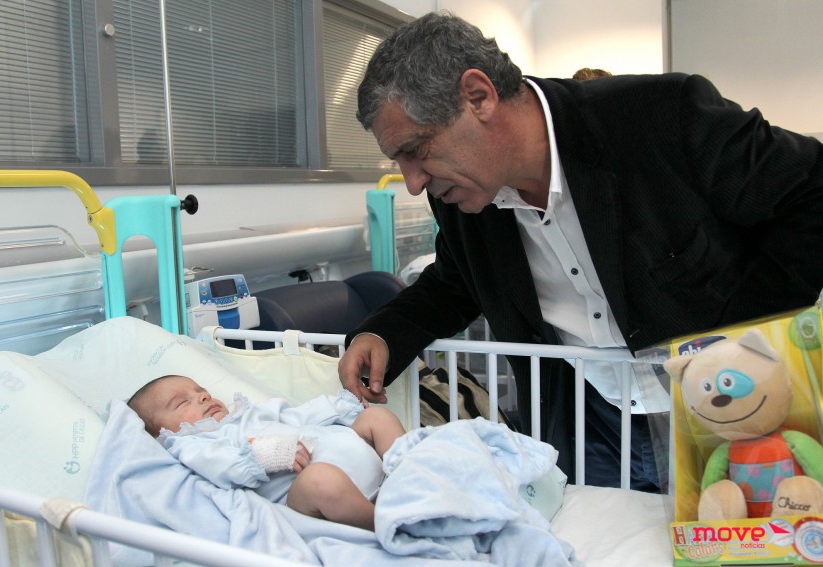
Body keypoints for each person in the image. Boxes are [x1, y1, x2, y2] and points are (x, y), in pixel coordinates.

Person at [338, 11, 823, 492]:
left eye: (416, 150)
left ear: (478, 96)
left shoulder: (661, 117)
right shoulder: (463, 195)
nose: (413, 182)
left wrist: (752, 328)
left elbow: (811, 192)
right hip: (588, 417)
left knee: (738, 526)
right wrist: (384, 333)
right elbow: (457, 281)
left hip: (727, 400)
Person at [128, 375, 405, 530]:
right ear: (162, 433)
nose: (202, 396)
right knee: (320, 479)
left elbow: (300, 416)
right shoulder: (192, 443)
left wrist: (341, 406)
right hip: (309, 496)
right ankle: (387, 525)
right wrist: (264, 455)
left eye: (202, 391)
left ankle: (410, 478)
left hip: (373, 468)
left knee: (377, 419)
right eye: (182, 402)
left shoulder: (251, 413)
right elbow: (219, 465)